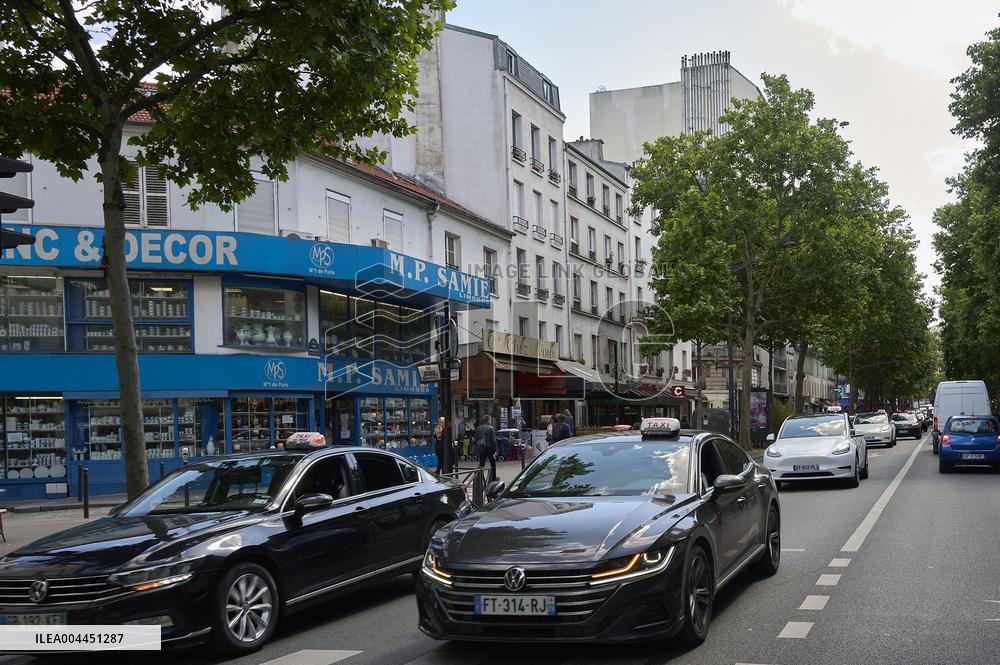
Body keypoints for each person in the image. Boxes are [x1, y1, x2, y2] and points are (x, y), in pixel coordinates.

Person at [473, 414, 498, 482]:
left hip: (481, 448)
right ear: (488, 420)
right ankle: (493, 478)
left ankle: (479, 479)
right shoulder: (491, 428)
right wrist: (496, 449)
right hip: (490, 448)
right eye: (490, 420)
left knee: (481, 463)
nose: (491, 421)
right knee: (492, 463)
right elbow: (493, 440)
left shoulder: (478, 428)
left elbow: (475, 439)